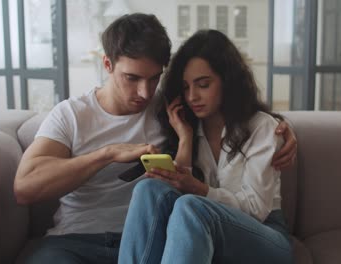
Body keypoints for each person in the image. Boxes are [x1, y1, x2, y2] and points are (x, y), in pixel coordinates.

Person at [14, 14, 296, 264]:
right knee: (152, 192)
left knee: (164, 194)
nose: (145, 93)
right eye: (132, 78)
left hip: (154, 238)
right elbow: (25, 187)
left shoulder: (170, 110)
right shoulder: (71, 115)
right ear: (108, 65)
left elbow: (239, 118)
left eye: (154, 79)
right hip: (75, 239)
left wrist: (282, 129)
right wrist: (107, 153)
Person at [118, 29, 294, 264]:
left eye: (203, 84)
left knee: (192, 206)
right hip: (204, 227)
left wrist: (200, 189)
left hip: (266, 236)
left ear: (227, 81)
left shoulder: (261, 127)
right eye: (186, 87)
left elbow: (256, 210)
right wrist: (185, 139)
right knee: (148, 189)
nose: (192, 97)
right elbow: (180, 202)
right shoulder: (190, 128)